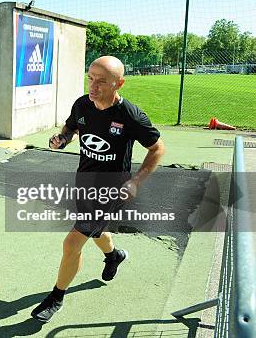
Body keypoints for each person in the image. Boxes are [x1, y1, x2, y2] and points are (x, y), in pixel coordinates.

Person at [31, 56, 166, 322]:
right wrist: (63, 138)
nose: (93, 86)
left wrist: (136, 181)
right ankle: (114, 256)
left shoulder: (130, 115)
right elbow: (71, 126)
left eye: (101, 81)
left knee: (72, 243)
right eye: (90, 78)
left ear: (119, 84)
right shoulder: (82, 104)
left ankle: (56, 297)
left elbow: (157, 148)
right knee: (95, 232)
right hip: (85, 182)